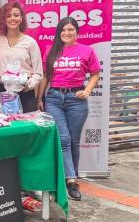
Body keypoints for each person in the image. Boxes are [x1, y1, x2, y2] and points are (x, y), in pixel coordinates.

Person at [37, 17, 101, 201]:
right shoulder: (51, 50)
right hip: (54, 98)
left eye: (70, 29)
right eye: (63, 30)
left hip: (76, 99)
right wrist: (40, 97)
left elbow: (95, 74)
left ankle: (71, 178)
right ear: (59, 32)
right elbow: (46, 76)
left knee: (73, 141)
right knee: (63, 139)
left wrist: (87, 90)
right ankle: (71, 181)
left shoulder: (87, 50)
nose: (67, 33)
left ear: (77, 31)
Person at [0, 1, 43, 112]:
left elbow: (39, 73)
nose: (12, 18)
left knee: (26, 125)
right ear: (3, 19)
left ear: (21, 18)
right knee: (6, 126)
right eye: (8, 16)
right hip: (4, 91)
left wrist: (28, 85)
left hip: (25, 91)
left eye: (16, 15)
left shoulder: (30, 42)